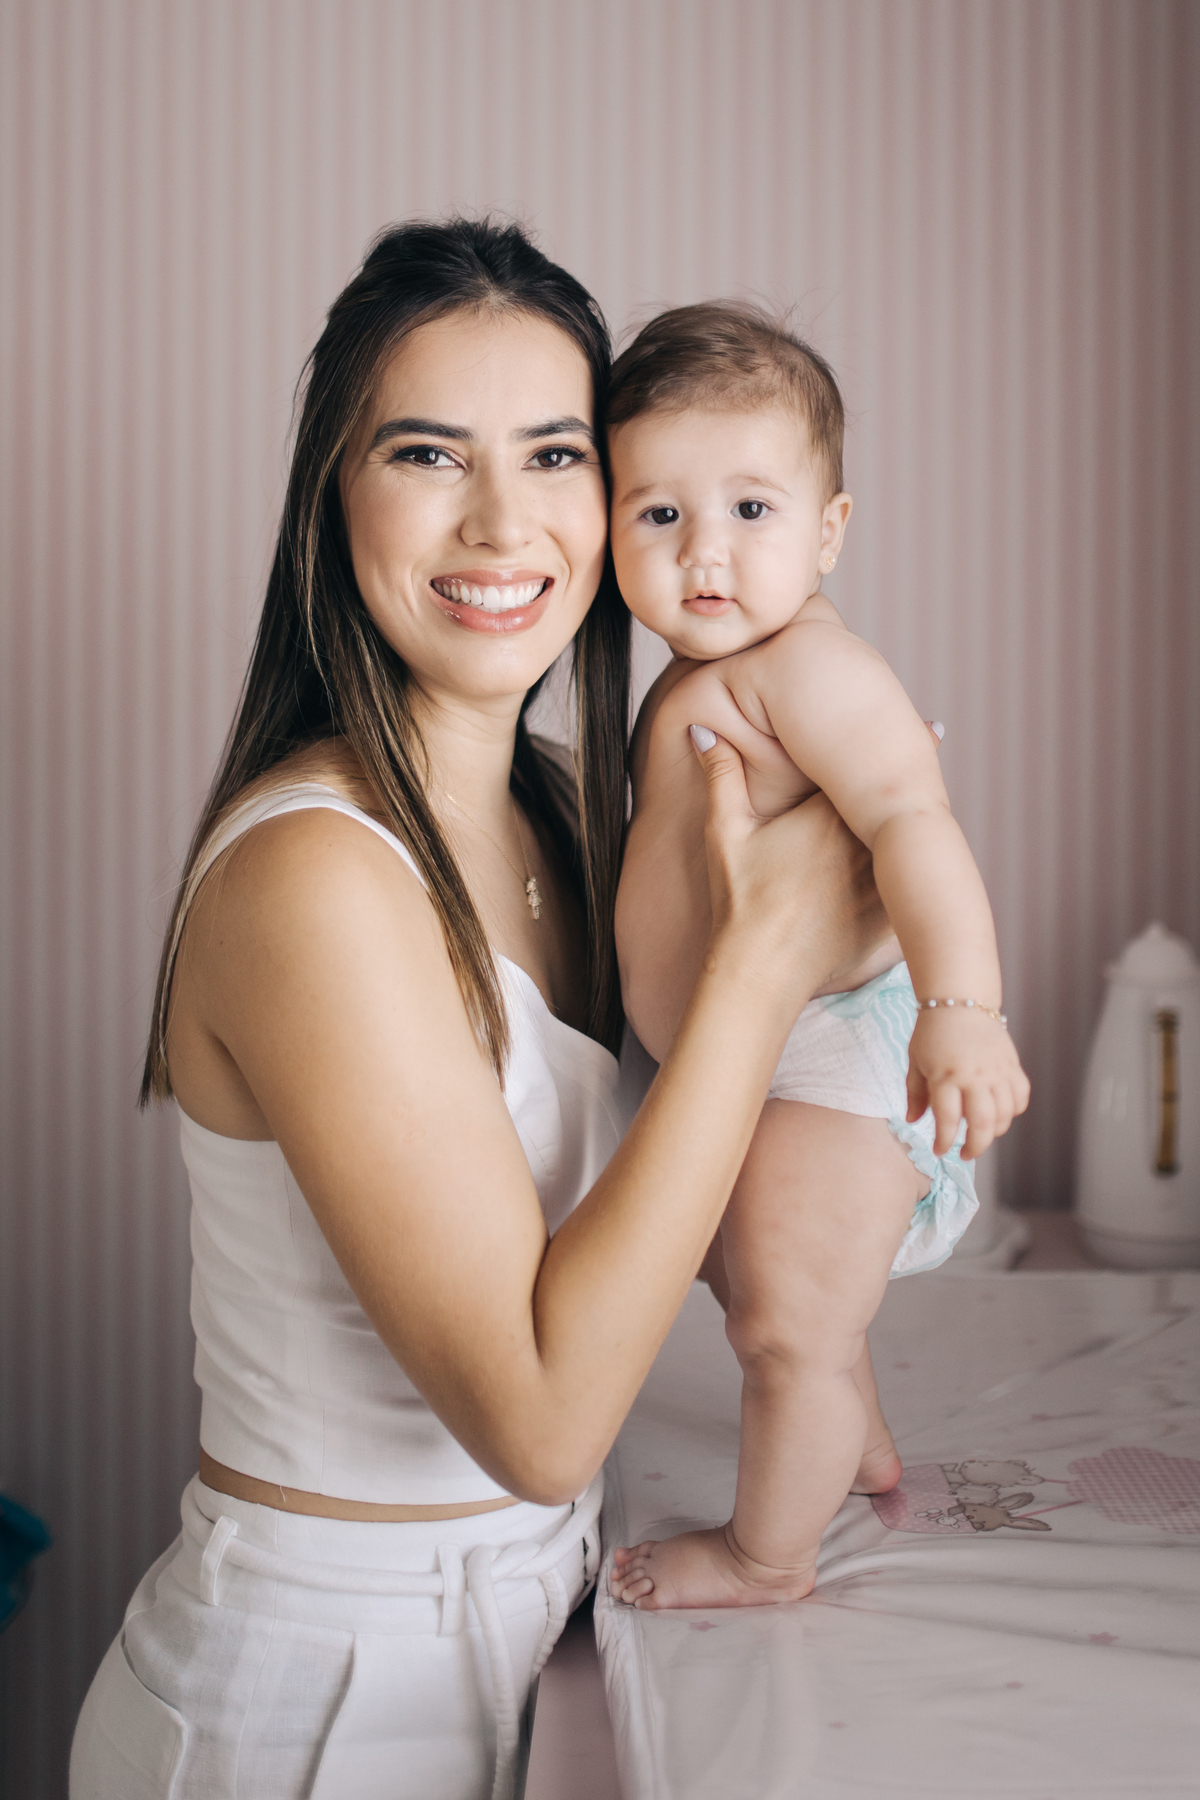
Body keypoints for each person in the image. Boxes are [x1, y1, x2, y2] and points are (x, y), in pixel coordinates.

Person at [68, 224, 892, 1800]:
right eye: (429, 453)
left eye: (555, 456)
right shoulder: (315, 873)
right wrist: (763, 961)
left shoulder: (572, 819)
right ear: (335, 497)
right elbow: (542, 1419)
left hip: (539, 1634)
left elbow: (719, 1180)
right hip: (313, 1702)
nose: (502, 522)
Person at [606, 302, 1031, 1613]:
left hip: (839, 1050)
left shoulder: (812, 667)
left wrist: (963, 1005)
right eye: (659, 513)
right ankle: (861, 1446)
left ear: (830, 529)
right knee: (768, 1286)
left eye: (751, 509)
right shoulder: (694, 672)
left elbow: (914, 820)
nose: (704, 552)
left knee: (783, 1322)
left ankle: (767, 1556)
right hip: (750, 1054)